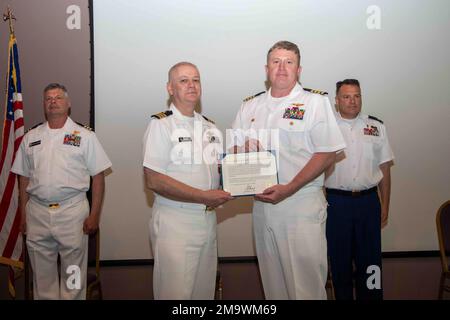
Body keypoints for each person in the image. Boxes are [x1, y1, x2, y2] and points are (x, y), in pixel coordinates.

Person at [229, 41, 346, 299]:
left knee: (304, 289)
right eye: (276, 61)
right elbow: (230, 155)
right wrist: (243, 149)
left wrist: (290, 188)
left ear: (299, 69)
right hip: (261, 207)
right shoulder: (250, 106)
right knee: (274, 288)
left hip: (300, 205)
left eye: (289, 62)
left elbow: (327, 152)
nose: (282, 67)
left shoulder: (315, 102)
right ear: (266, 68)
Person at [11, 83, 112, 300]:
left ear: (68, 104)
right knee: (42, 277)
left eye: (58, 97)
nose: (53, 101)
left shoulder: (85, 136)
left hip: (72, 212)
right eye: (48, 98)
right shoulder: (31, 137)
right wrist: (23, 215)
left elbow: (98, 177)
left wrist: (94, 215)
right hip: (37, 212)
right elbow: (23, 177)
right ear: (44, 104)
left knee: (73, 274)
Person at [143, 62, 233, 299]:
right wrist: (203, 196)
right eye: (183, 80)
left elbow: (220, 171)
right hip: (176, 222)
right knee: (175, 295)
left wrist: (243, 162)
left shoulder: (210, 127)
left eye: (196, 79)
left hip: (208, 220)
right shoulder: (161, 125)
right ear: (170, 88)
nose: (191, 85)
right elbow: (154, 179)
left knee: (203, 294)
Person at [324, 79, 394, 300]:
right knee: (339, 260)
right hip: (337, 204)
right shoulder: (326, 128)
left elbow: (384, 170)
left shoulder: (376, 127)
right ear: (336, 101)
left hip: (368, 202)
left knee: (371, 261)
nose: (352, 101)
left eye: (357, 96)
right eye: (346, 96)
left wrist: (385, 205)